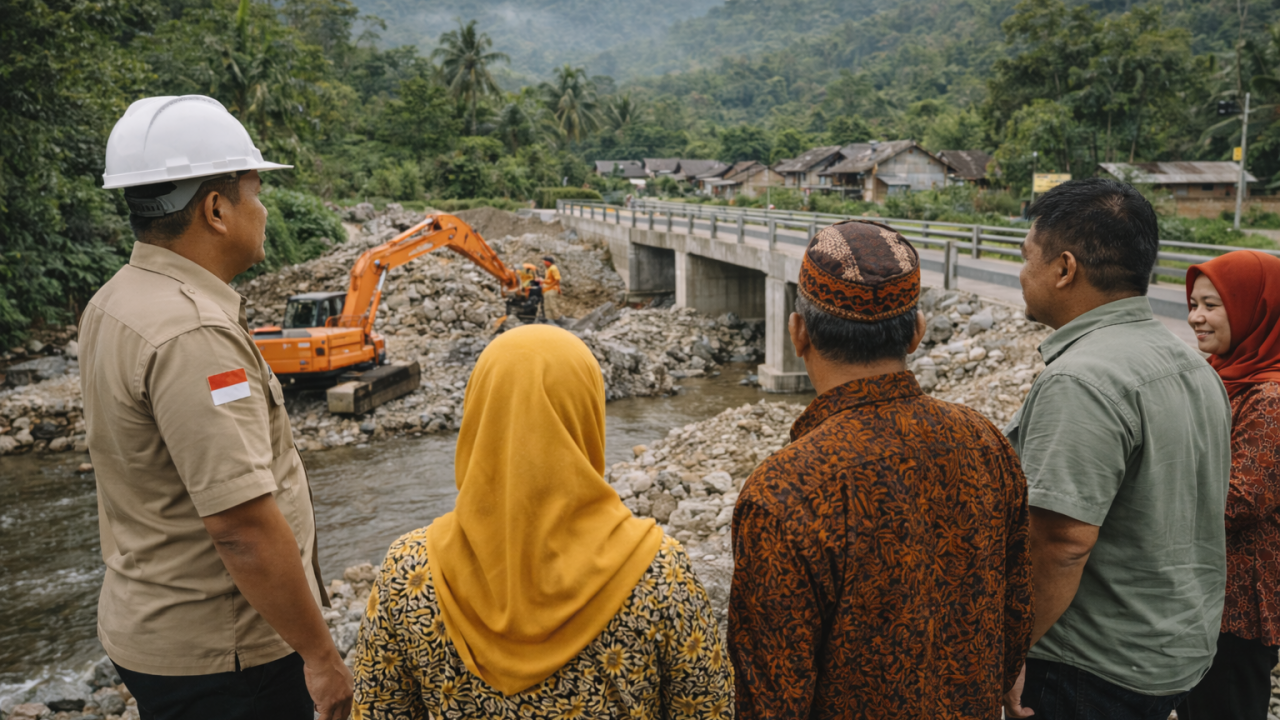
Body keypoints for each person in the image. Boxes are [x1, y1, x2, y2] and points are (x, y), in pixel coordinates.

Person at [80, 95, 352, 720]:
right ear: (216, 208)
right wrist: (319, 656)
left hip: (151, 621)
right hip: (227, 654)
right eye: (256, 191)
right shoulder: (193, 333)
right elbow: (242, 528)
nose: (263, 209)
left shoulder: (115, 299)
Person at [729, 220, 1033, 719]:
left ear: (798, 332)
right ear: (917, 333)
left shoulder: (785, 492)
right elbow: (1016, 610)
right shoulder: (984, 442)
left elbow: (771, 697)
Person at [351, 324, 732, 718]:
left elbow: (377, 711)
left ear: (478, 413)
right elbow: (709, 710)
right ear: (587, 415)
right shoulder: (658, 574)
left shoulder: (409, 572)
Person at [1001, 178, 1231, 720]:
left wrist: (1009, 653)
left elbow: (1062, 542)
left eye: (1026, 256)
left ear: (1063, 268)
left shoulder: (1083, 379)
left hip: (1088, 665)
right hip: (1173, 647)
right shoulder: (1190, 364)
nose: (1021, 273)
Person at [1177, 251, 1280, 720]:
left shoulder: (1270, 397)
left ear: (1252, 308)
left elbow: (1240, 500)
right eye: (1193, 303)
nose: (1196, 317)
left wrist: (1151, 489)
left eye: (1212, 305)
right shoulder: (1228, 375)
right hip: (1209, 592)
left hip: (1239, 603)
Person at [541, 255, 564, 322]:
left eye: (544, 262)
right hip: (547, 289)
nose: (544, 263)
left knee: (552, 305)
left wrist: (551, 285)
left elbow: (557, 279)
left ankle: (557, 318)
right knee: (547, 306)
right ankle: (549, 319)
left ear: (548, 262)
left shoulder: (553, 268)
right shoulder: (548, 269)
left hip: (552, 289)